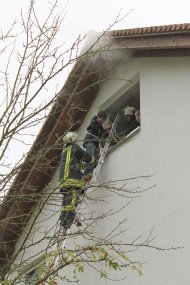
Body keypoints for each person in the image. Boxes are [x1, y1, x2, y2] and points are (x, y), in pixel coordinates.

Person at [59, 131, 95, 229]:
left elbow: (71, 164)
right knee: (72, 201)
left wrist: (80, 165)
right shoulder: (74, 148)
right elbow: (87, 157)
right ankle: (68, 221)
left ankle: (63, 221)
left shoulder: (64, 151)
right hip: (73, 180)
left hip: (64, 182)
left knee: (66, 203)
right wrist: (93, 159)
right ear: (73, 140)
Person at [83, 110, 111, 177]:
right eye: (102, 119)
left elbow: (101, 132)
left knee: (93, 157)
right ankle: (87, 172)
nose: (103, 121)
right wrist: (105, 130)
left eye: (104, 120)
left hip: (94, 144)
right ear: (98, 117)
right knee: (91, 155)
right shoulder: (94, 122)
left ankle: (90, 170)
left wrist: (107, 130)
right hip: (90, 142)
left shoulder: (99, 125)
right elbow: (92, 128)